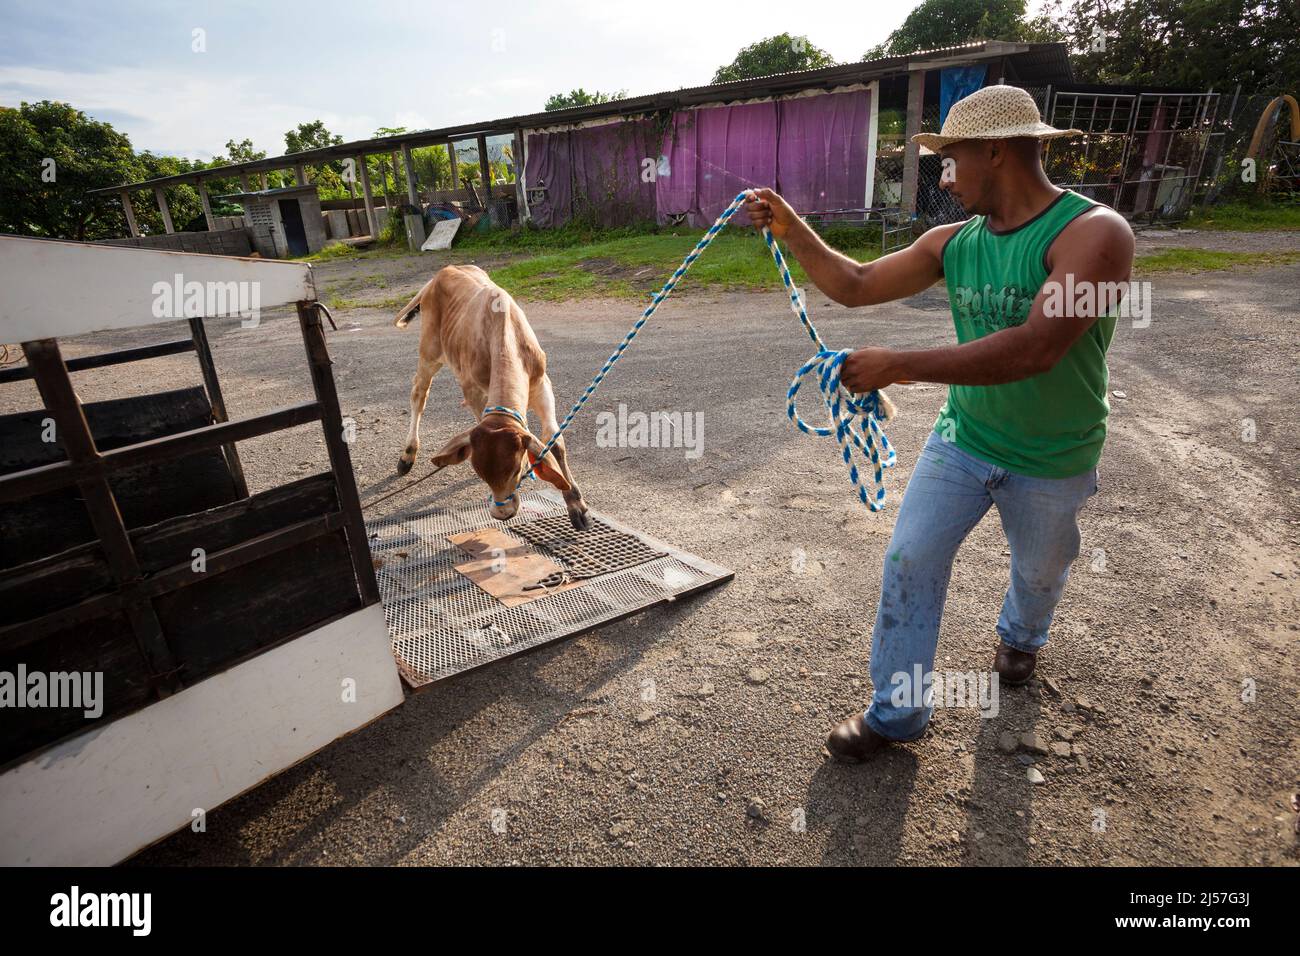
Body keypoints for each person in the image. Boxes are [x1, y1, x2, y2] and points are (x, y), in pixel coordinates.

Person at [742, 85, 1135, 762]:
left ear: (996, 150)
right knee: (910, 557)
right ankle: (896, 714)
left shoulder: (1097, 235)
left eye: (951, 160)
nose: (945, 177)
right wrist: (789, 224)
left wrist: (901, 364)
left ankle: (1021, 636)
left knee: (1040, 572)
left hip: (1054, 451)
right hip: (965, 439)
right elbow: (857, 282)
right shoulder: (953, 241)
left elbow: (1038, 347)